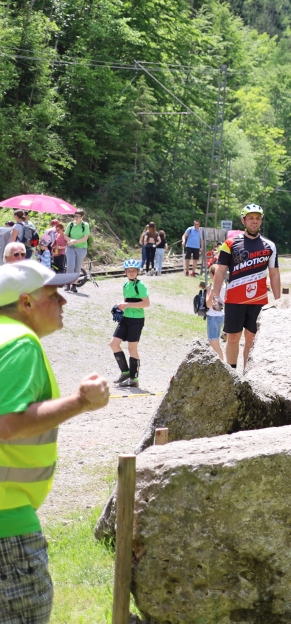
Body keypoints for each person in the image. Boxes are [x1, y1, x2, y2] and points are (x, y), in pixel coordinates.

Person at [0, 260, 109, 624]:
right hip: (7, 525)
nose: (63, 302)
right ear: (26, 303)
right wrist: (82, 402)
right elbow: (7, 424)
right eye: (53, 294)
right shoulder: (19, 343)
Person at [209, 204, 280, 370]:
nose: (254, 222)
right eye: (250, 218)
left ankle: (248, 374)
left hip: (259, 300)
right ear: (243, 221)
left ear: (261, 221)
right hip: (234, 299)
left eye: (257, 218)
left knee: (252, 338)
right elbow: (219, 271)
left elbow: (274, 274)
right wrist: (216, 294)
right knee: (233, 337)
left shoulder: (270, 246)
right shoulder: (230, 243)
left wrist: (278, 301)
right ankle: (232, 374)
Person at [109, 259, 150, 388]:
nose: (131, 273)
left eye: (133, 271)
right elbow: (126, 300)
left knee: (132, 348)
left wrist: (128, 305)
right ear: (125, 272)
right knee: (113, 344)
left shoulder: (141, 285)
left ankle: (134, 379)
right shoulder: (125, 285)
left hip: (136, 320)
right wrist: (119, 306)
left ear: (138, 272)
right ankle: (125, 372)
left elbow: (146, 303)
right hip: (125, 318)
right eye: (128, 271)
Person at [203, 265, 225, 360]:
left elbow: (208, 304)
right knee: (216, 342)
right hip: (221, 315)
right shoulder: (224, 285)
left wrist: (208, 291)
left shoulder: (213, 287)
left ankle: (222, 363)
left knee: (213, 341)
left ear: (212, 274)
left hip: (213, 316)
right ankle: (220, 360)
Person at [64, 210, 89, 291]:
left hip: (81, 248)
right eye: (75, 216)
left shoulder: (85, 225)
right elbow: (65, 235)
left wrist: (75, 241)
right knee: (70, 266)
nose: (76, 218)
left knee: (77, 267)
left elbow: (85, 238)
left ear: (82, 217)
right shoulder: (70, 224)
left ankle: (74, 285)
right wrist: (70, 240)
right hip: (71, 247)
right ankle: (67, 284)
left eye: (78, 216)